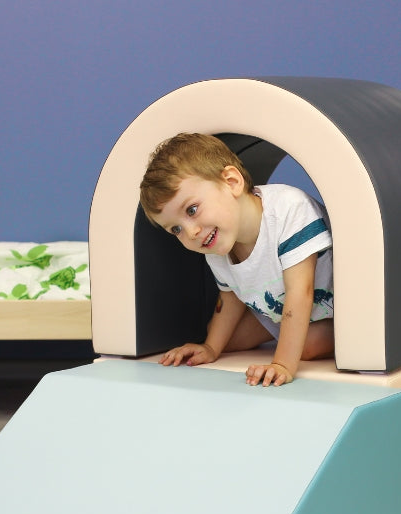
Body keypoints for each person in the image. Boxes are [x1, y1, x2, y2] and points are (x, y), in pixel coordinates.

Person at [139, 133, 334, 387]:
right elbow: (230, 298)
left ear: (231, 182)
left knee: (307, 347)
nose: (191, 233)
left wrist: (282, 364)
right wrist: (210, 348)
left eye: (192, 210)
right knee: (224, 339)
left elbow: (301, 292)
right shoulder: (217, 243)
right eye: (176, 229)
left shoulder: (289, 210)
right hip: (277, 309)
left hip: (332, 309)